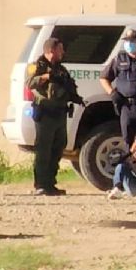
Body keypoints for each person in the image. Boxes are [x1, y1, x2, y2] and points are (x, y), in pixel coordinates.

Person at [26, 37, 83, 196]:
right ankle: (41, 184)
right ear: (51, 51)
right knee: (43, 150)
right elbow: (29, 83)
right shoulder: (37, 66)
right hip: (45, 113)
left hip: (60, 113)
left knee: (58, 148)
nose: (63, 52)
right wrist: (45, 77)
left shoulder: (61, 69)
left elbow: (68, 86)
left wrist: (75, 97)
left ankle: (50, 183)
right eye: (60, 49)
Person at [100, 28, 136, 149]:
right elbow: (104, 78)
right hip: (126, 106)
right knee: (127, 140)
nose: (129, 44)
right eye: (127, 41)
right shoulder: (119, 59)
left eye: (133, 41)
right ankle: (130, 165)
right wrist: (112, 93)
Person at [108, 130, 136, 199]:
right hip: (132, 183)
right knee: (120, 166)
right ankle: (117, 189)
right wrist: (131, 152)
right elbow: (115, 163)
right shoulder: (129, 155)